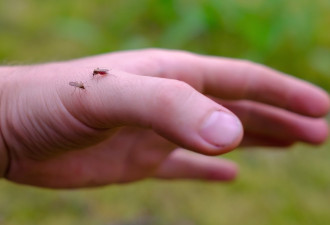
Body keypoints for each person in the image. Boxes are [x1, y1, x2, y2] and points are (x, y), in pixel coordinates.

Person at [0, 49, 328, 189]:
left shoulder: (99, 76)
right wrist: (7, 123)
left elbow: (101, 76)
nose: (99, 75)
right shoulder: (94, 80)